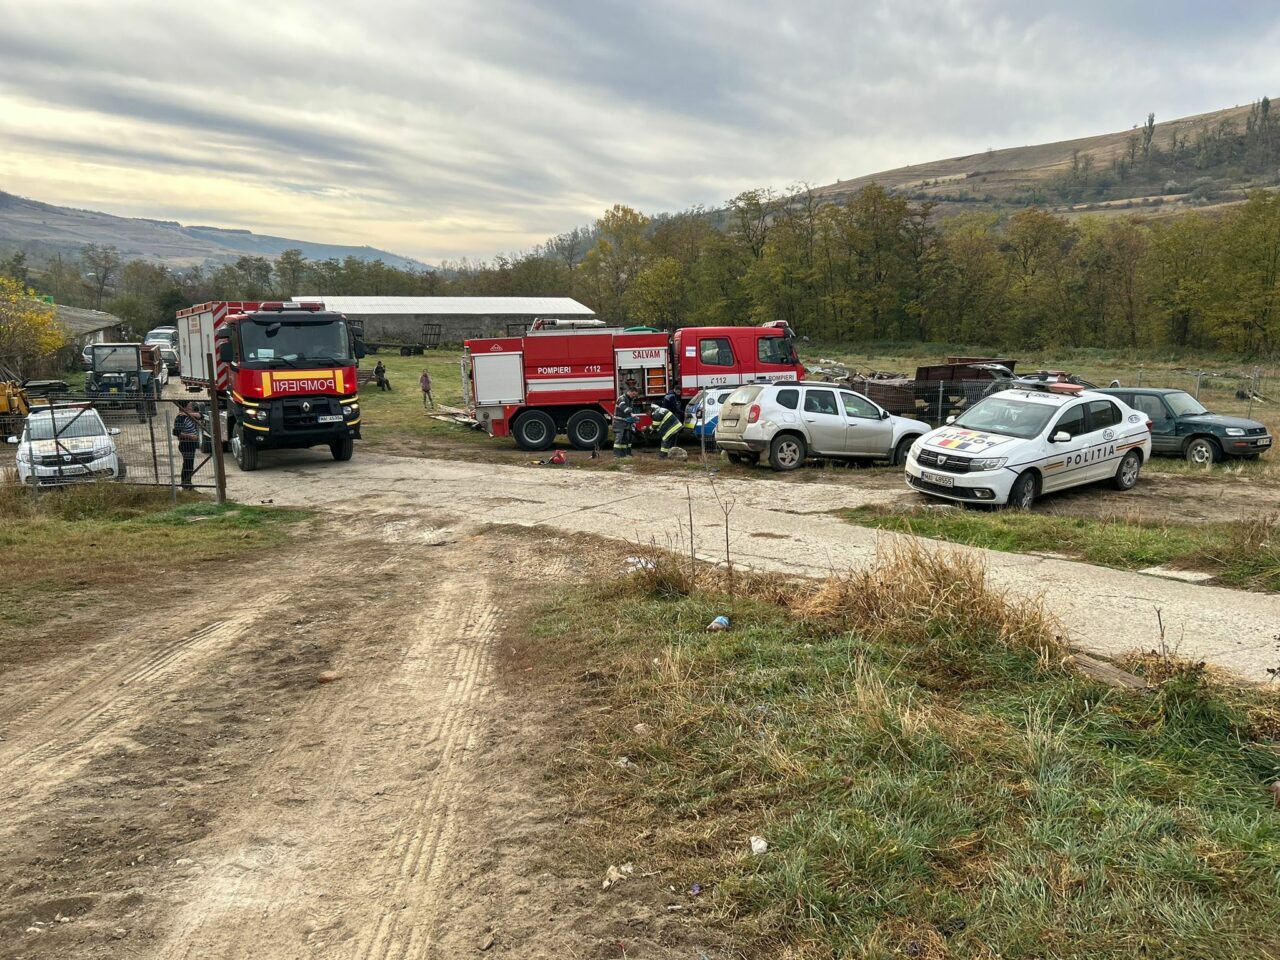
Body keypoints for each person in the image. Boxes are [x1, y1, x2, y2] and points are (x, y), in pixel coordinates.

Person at [174, 400, 204, 490]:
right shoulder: (180, 418)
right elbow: (176, 432)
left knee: (190, 464)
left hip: (191, 444)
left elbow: (201, 416)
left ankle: (188, 483)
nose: (192, 407)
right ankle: (186, 484)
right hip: (185, 444)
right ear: (185, 407)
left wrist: (187, 414)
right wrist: (190, 436)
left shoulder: (189, 415)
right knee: (187, 464)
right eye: (190, 406)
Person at [612, 386, 640, 458]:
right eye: (633, 394)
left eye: (635, 395)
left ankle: (623, 455)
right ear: (629, 392)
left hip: (625, 422)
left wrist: (633, 421)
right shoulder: (622, 398)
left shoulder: (630, 399)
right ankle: (616, 455)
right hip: (619, 422)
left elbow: (629, 410)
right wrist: (632, 414)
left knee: (625, 439)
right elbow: (624, 408)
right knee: (619, 438)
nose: (634, 396)